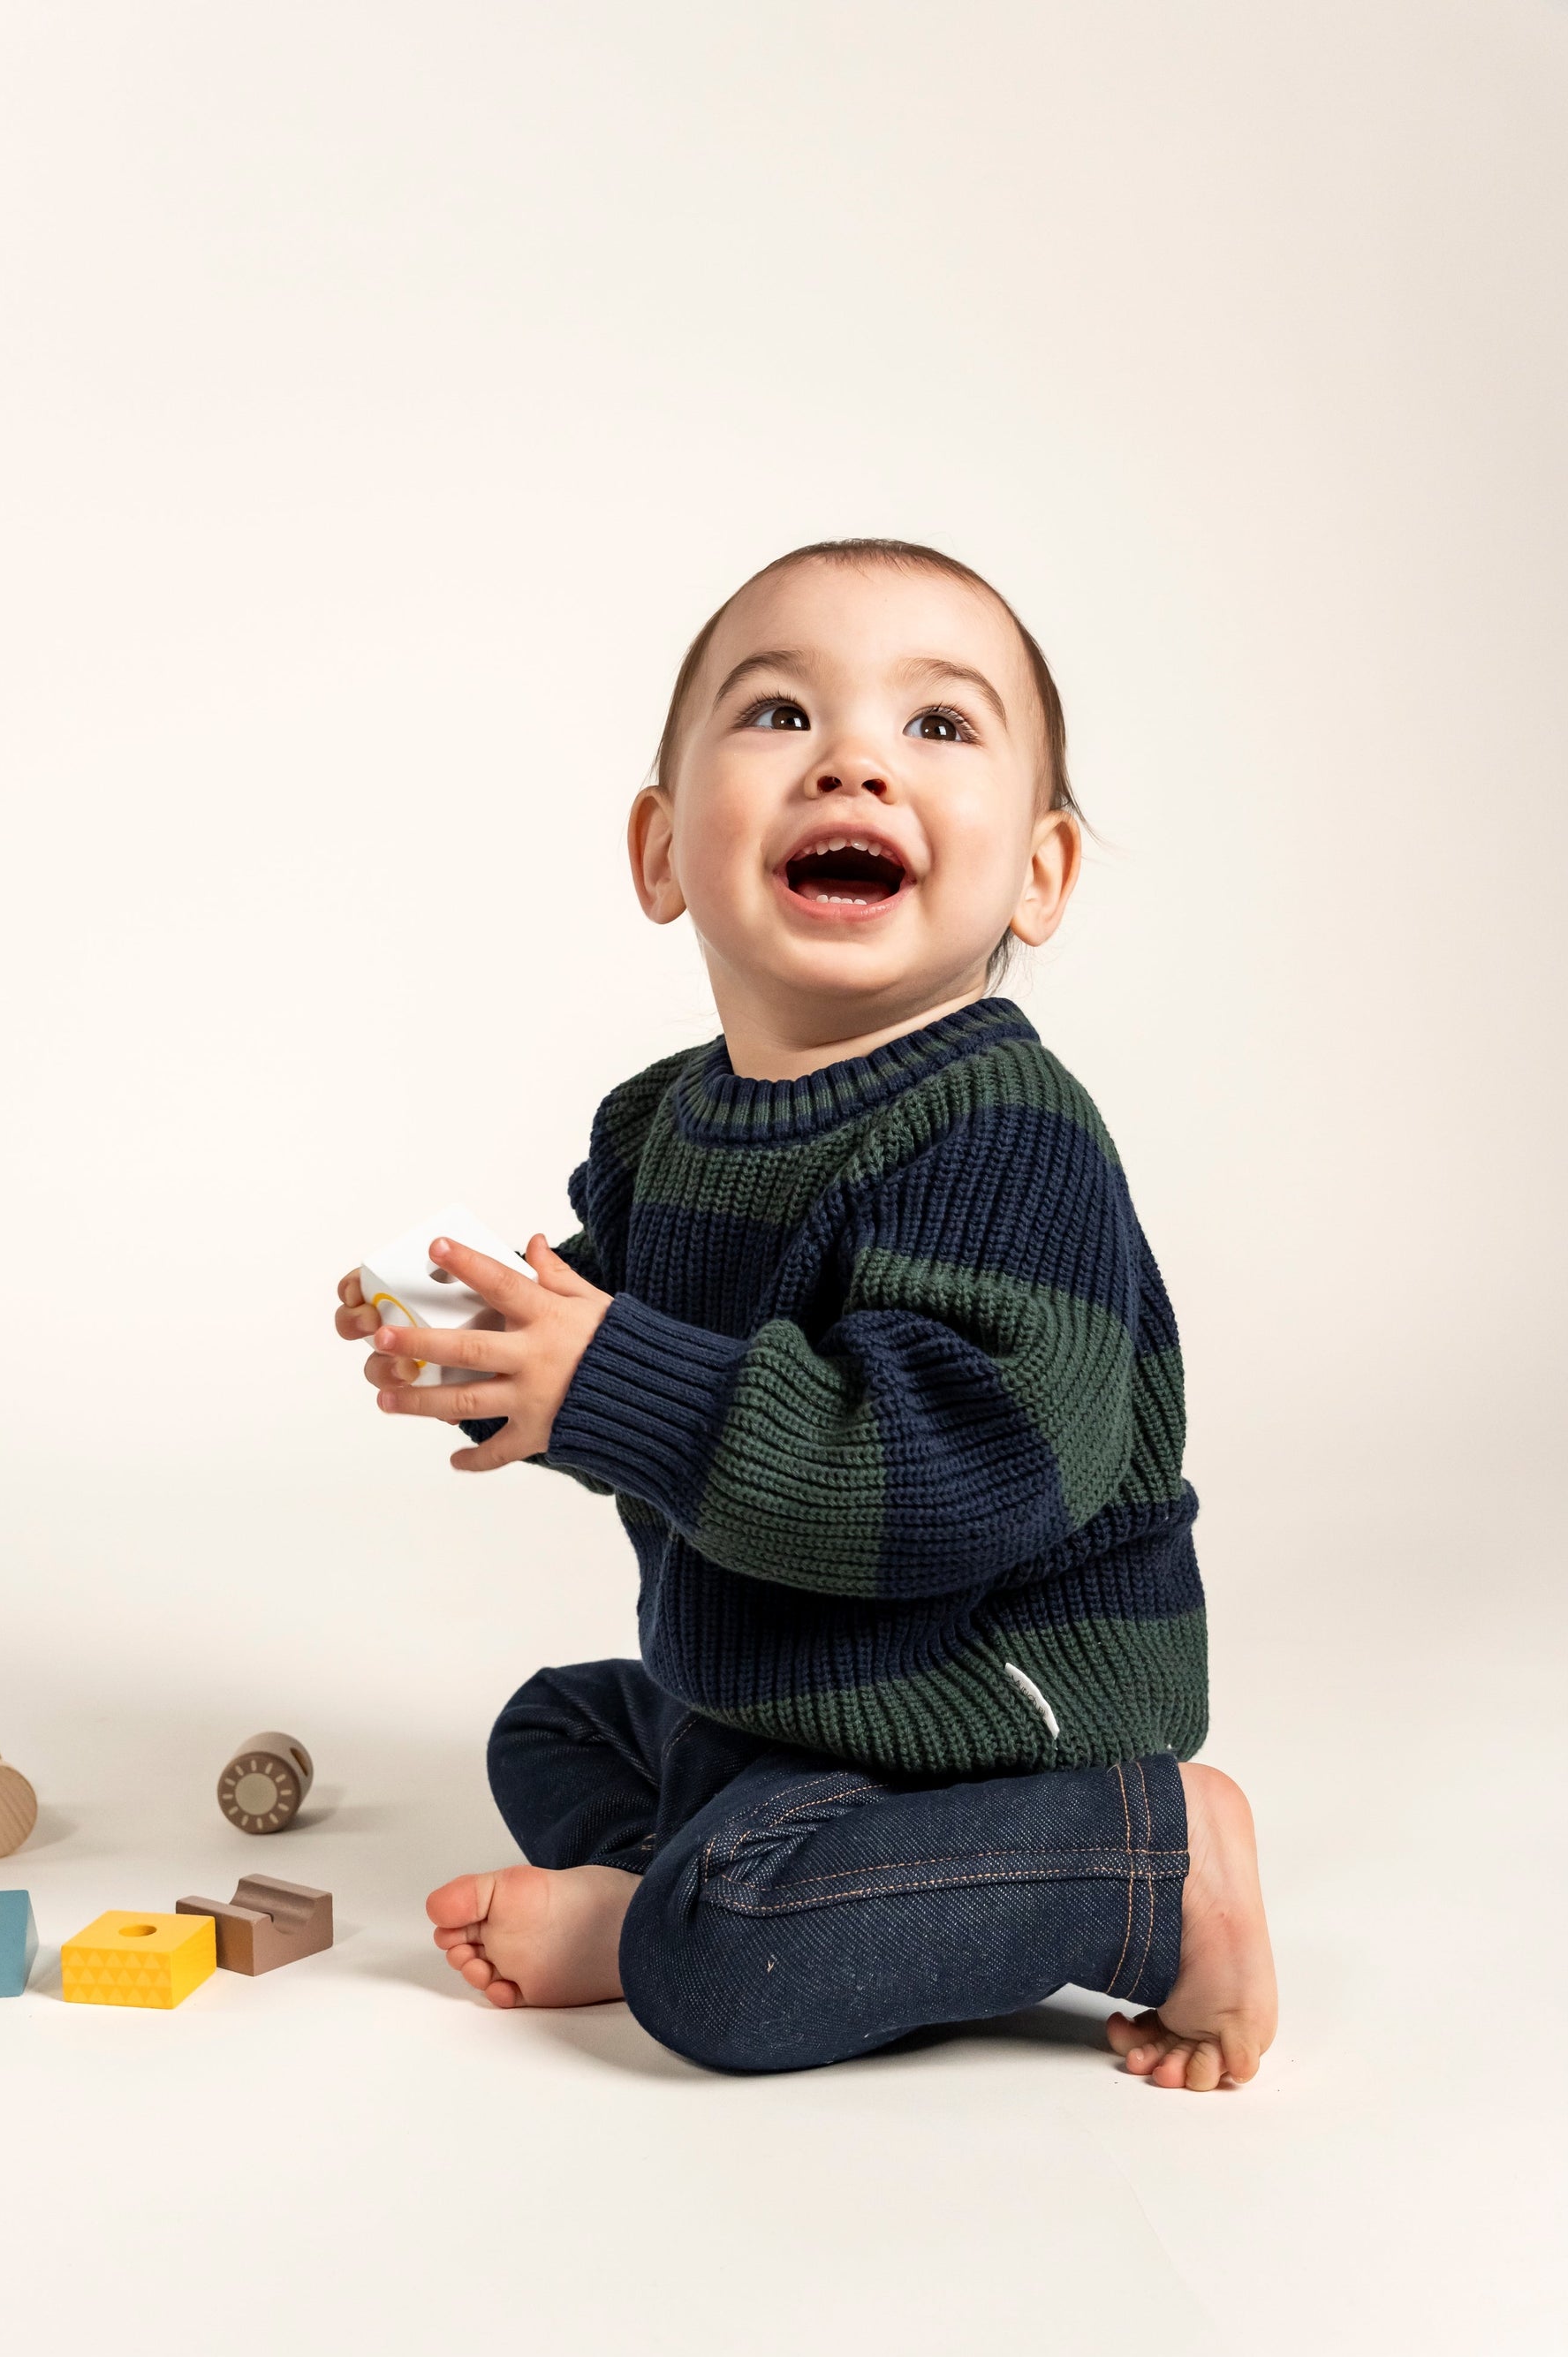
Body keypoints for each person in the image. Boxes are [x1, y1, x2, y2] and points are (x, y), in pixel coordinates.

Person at [335, 538, 1276, 2090]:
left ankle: (1149, 1862)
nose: (851, 759)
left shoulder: (1002, 1134)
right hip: (795, 1680)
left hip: (982, 1701)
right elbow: (654, 1383)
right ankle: (703, 1877)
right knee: (550, 1729)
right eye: (778, 715)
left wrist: (610, 1380)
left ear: (1038, 875)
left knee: (723, 1970)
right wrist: (502, 1357)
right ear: (660, 851)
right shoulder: (667, 1125)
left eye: (939, 726)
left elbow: (953, 1478)